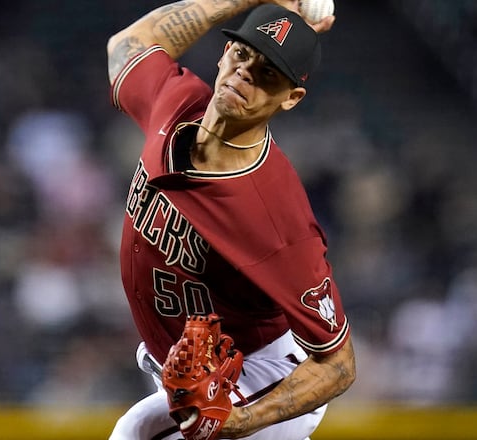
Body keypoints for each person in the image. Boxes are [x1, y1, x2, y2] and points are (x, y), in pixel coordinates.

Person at [105, 1, 355, 439]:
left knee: (135, 432)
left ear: (290, 98)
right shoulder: (176, 103)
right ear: (224, 55)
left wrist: (239, 422)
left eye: (268, 74)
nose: (245, 74)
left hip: (258, 377)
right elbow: (127, 45)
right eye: (242, 55)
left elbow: (338, 364)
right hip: (194, 369)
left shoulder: (275, 217)